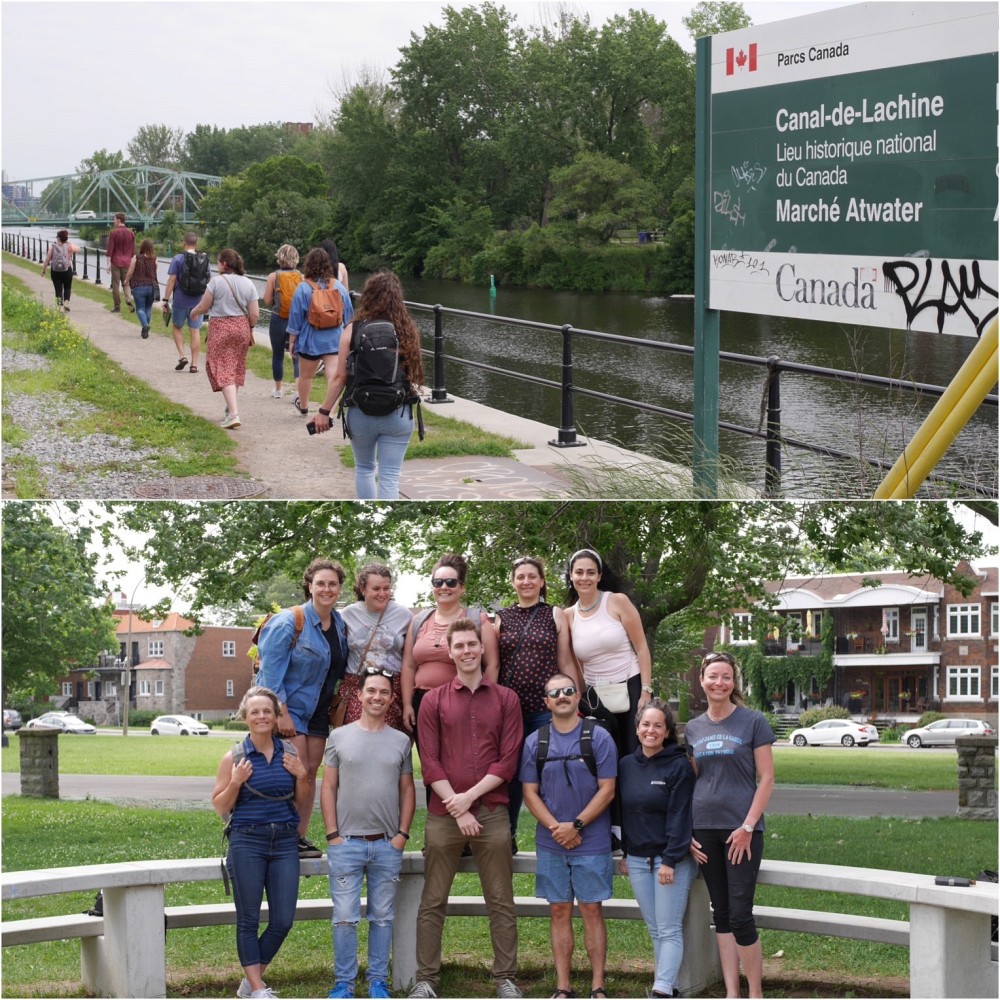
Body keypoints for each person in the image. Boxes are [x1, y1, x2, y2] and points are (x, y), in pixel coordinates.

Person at [410, 618, 524, 1000]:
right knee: (433, 900)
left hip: (491, 812)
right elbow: (430, 761)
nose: (467, 651)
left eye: (472, 644)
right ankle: (426, 980)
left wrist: (469, 800)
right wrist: (457, 808)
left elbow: (507, 763)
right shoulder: (433, 700)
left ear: (481, 647)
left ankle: (505, 978)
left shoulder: (506, 699)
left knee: (501, 901)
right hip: (445, 814)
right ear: (451, 652)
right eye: (459, 646)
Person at [321, 667, 416, 1000]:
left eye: (384, 692)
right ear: (359, 695)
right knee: (345, 918)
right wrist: (333, 834)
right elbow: (329, 786)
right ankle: (344, 984)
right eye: (371, 691)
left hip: (386, 844)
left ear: (391, 699)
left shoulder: (402, 741)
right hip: (346, 843)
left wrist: (401, 834)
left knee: (383, 917)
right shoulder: (339, 737)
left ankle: (378, 981)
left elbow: (407, 790)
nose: (377, 697)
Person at [520, 673, 617, 1000]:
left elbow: (608, 789)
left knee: (592, 909)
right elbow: (530, 793)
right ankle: (563, 986)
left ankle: (598, 986)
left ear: (578, 697)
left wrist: (575, 825)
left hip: (592, 840)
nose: (562, 696)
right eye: (554, 693)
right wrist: (556, 829)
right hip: (551, 842)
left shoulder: (600, 737)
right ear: (546, 702)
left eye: (568, 691)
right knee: (559, 910)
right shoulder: (536, 741)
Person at [686, 652, 775, 1000]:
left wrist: (748, 826)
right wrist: (688, 833)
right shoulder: (693, 728)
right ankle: (731, 993)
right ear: (703, 681)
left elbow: (766, 779)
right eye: (712, 676)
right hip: (704, 829)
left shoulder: (753, 722)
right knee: (720, 913)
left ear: (733, 682)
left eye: (725, 677)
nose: (718, 682)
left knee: (740, 915)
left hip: (743, 831)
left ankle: (755, 993)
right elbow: (694, 781)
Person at [211, 686, 310, 1000]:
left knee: (283, 920)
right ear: (245, 718)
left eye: (267, 711)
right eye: (255, 711)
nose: (262, 716)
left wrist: (303, 776)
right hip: (247, 841)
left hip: (283, 843)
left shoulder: (290, 753)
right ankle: (257, 988)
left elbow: (302, 799)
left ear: (276, 716)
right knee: (249, 918)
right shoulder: (234, 757)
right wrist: (236, 782)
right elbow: (220, 806)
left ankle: (250, 982)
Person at [255, 559, 348, 858]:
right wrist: (281, 712)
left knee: (309, 773)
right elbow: (269, 674)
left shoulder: (340, 624)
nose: (326, 589)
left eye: (332, 584)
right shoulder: (288, 622)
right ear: (309, 586)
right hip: (288, 707)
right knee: (292, 772)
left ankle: (298, 836)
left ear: (340, 589)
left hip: (318, 711)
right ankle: (279, 835)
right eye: (320, 583)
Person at [564, 548, 654, 844]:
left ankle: (638, 828)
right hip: (595, 697)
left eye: (591, 572)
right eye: (579, 572)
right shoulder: (568, 616)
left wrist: (646, 692)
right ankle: (612, 831)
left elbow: (641, 647)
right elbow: (575, 664)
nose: (585, 577)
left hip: (629, 686)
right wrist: (579, 699)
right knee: (603, 764)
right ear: (571, 576)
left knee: (632, 758)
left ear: (600, 575)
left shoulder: (617, 602)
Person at [313, 271, 425, 501]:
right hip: (398, 412)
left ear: (368, 296)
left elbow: (339, 376)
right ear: (397, 298)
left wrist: (324, 411)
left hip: (360, 411)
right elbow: (413, 373)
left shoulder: (352, 330)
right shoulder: (406, 330)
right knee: (390, 476)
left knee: (364, 469)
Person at [495, 555, 579, 849]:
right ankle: (509, 834)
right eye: (520, 576)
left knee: (551, 769)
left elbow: (565, 660)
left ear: (542, 581)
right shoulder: (501, 618)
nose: (526, 581)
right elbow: (494, 665)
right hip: (511, 709)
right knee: (514, 772)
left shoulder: (555, 614)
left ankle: (560, 830)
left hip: (547, 708)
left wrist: (574, 697)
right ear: (513, 581)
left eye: (532, 576)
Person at [618, 699, 696, 1000]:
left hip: (670, 861)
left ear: (667, 732)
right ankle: (668, 986)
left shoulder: (679, 766)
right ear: (637, 729)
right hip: (637, 859)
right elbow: (624, 813)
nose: (651, 730)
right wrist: (626, 852)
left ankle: (661, 990)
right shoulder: (626, 766)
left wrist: (671, 860)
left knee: (669, 929)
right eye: (645, 724)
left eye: (657, 725)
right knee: (655, 929)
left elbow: (681, 815)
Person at [401, 553, 499, 746]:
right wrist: (407, 705)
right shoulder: (419, 620)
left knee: (460, 760)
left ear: (461, 587)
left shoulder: (477, 620)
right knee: (430, 762)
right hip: (422, 703)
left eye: (451, 582)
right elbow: (408, 666)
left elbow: (492, 665)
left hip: (463, 700)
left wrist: (483, 701)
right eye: (438, 582)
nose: (443, 587)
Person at [189, 248, 260, 430]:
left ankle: (234, 414)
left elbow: (205, 306)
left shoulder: (216, 282)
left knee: (221, 367)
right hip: (242, 329)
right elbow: (255, 313)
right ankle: (230, 408)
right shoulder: (248, 283)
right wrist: (249, 328)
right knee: (234, 367)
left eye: (218, 262)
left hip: (220, 328)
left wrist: (195, 311)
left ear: (224, 264)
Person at [339, 562, 413, 732]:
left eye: (386, 588)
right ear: (363, 589)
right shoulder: (348, 614)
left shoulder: (404, 615)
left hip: (391, 687)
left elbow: (411, 660)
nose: (382, 594)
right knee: (356, 741)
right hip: (357, 685)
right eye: (376, 588)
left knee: (390, 742)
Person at [286, 247, 353, 417]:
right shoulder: (338, 286)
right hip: (334, 339)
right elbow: (349, 315)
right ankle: (329, 410)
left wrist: (292, 340)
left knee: (305, 376)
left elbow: (296, 317)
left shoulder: (303, 288)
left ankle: (304, 407)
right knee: (334, 375)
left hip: (310, 340)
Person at [162, 231, 210, 373]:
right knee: (195, 331)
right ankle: (194, 364)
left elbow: (171, 280)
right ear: (196, 244)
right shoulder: (203, 259)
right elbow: (208, 281)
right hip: (198, 301)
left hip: (180, 300)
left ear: (184, 243)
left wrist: (165, 299)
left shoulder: (177, 259)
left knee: (177, 327)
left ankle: (182, 356)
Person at [262, 244, 302, 399]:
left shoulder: (274, 276)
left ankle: (278, 390)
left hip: (278, 318)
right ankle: (298, 392)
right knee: (296, 356)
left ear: (279, 258)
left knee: (277, 354)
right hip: (296, 320)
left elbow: (266, 300)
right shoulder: (301, 276)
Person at [125, 238, 160, 339]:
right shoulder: (155, 259)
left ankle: (145, 325)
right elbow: (154, 271)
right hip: (152, 286)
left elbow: (131, 271)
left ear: (142, 247)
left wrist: (126, 281)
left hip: (138, 286)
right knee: (148, 308)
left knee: (140, 308)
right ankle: (145, 331)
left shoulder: (136, 258)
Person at [40, 229, 78, 311]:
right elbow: (78, 249)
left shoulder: (53, 247)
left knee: (58, 288)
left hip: (55, 271)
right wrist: (69, 243)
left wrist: (43, 270)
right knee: (67, 287)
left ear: (58, 238)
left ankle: (59, 306)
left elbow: (47, 260)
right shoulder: (69, 246)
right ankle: (66, 303)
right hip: (67, 270)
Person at [106, 212, 135, 313]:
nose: (113, 221)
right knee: (126, 283)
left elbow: (110, 250)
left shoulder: (114, 233)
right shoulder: (131, 233)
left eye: (114, 219)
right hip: (127, 262)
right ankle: (128, 299)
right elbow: (132, 251)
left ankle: (117, 306)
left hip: (116, 262)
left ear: (118, 220)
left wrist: (108, 264)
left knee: (115, 285)